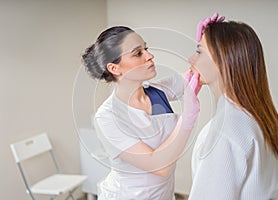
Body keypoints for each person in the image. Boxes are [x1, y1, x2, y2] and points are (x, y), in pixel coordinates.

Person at [82, 26, 201, 200]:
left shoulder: (157, 92)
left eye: (146, 49)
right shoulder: (108, 117)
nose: (149, 56)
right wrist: (187, 119)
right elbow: (158, 165)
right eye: (138, 53)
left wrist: (204, 45)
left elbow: (197, 73)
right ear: (115, 68)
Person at [188, 13, 278, 199]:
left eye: (199, 51)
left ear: (223, 60)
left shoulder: (227, 129)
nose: (191, 59)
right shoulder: (256, 116)